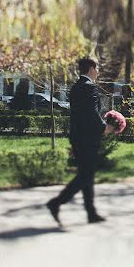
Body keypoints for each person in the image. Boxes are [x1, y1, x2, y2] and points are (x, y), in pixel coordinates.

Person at [46, 57, 113, 225]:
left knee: (86, 175)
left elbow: (80, 115)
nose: (98, 72)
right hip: (88, 139)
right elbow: (91, 113)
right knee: (85, 176)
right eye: (97, 68)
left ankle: (91, 213)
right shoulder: (90, 88)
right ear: (91, 68)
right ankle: (56, 203)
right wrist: (104, 127)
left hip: (77, 137)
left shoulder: (75, 88)